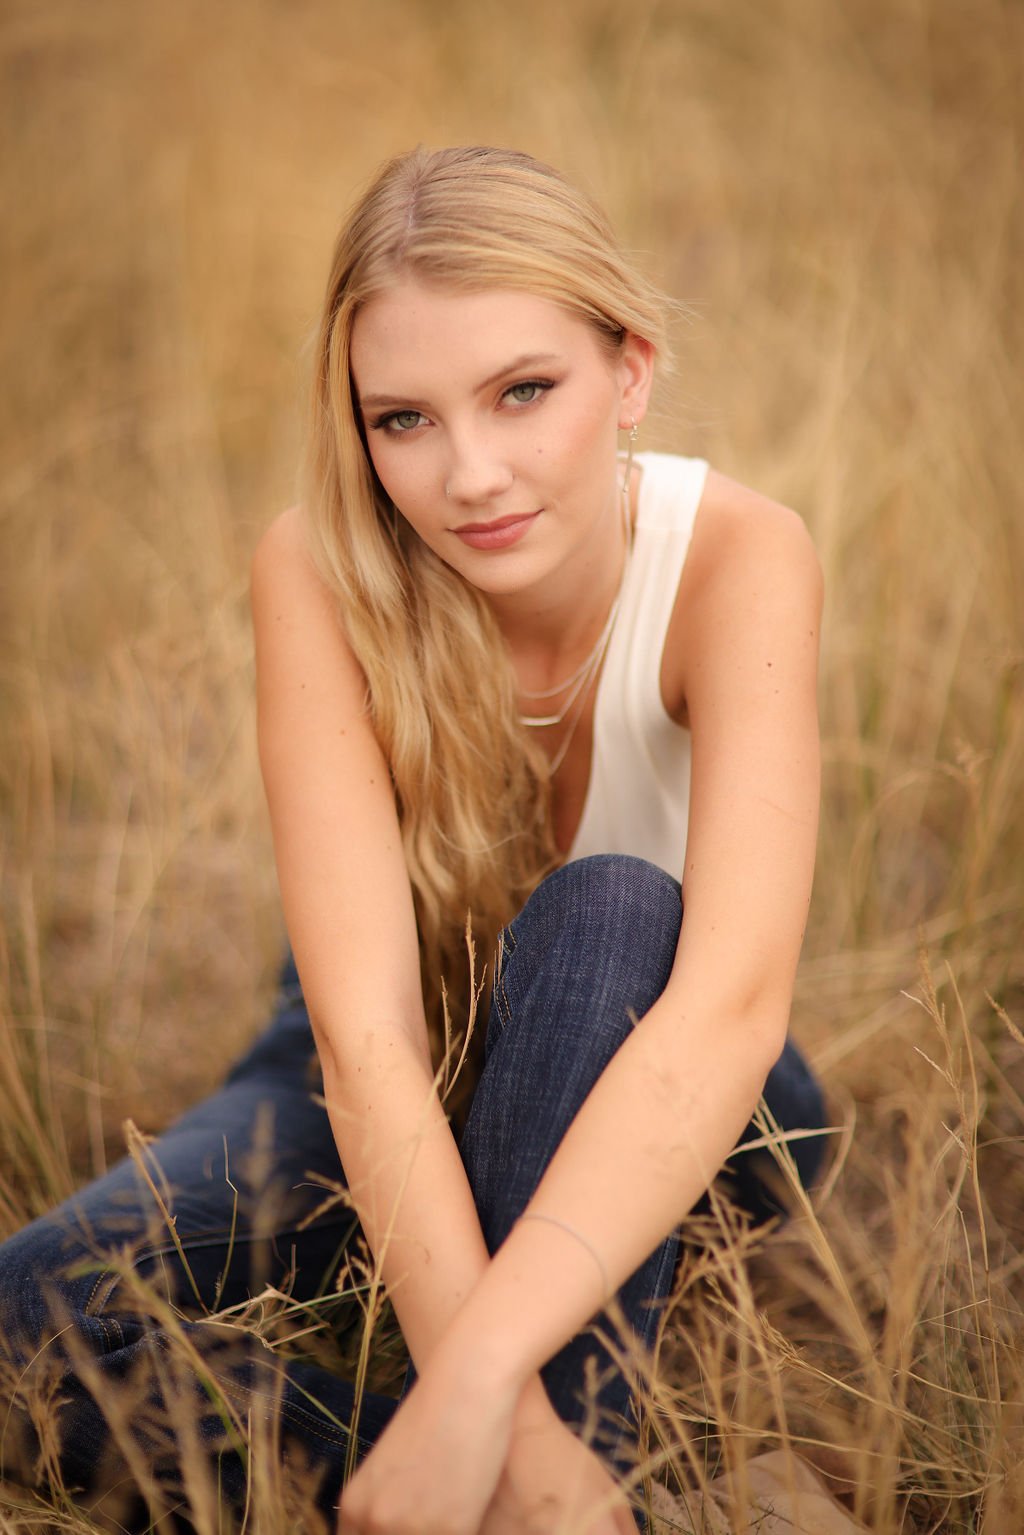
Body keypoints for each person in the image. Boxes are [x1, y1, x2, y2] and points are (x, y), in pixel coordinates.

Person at [0, 145, 827, 1534]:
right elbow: (366, 1049)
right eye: (403, 420)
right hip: (388, 1064)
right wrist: (478, 1415)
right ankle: (546, 1489)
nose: (471, 475)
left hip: (684, 1094)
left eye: (524, 392)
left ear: (629, 368)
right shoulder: (321, 570)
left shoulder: (739, 558)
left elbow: (729, 1014)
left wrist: (472, 1374)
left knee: (610, 908)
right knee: (23, 1317)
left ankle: (497, 1447)